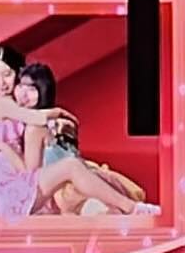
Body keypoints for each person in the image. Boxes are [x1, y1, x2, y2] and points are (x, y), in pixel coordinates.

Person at [0, 46, 157, 219]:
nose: (2, 83)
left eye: (7, 75)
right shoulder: (4, 103)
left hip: (15, 184)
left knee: (76, 172)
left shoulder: (14, 104)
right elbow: (35, 123)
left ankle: (129, 208)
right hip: (5, 192)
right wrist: (59, 114)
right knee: (72, 169)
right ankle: (132, 208)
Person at [13, 63, 146, 215]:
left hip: (66, 189)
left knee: (102, 211)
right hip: (62, 188)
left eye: (32, 89)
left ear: (44, 91)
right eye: (21, 87)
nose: (24, 94)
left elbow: (33, 175)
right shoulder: (19, 124)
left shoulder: (44, 126)